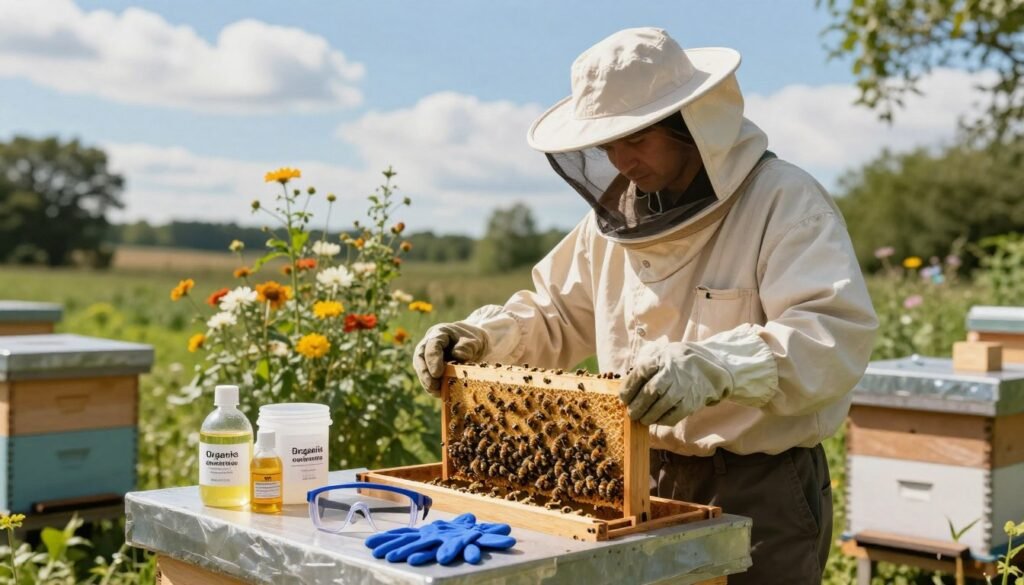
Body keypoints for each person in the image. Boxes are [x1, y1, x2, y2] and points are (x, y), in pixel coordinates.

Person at [413, 27, 877, 584]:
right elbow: (556, 313)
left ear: (690, 126)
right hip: (635, 476)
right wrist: (483, 338)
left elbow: (830, 337)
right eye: (606, 144)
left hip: (759, 484)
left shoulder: (784, 202)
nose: (619, 159)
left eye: (635, 138)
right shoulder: (606, 228)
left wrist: (717, 366)